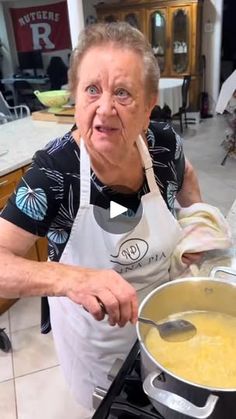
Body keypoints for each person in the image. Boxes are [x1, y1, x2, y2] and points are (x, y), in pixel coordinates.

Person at [0, 23, 202, 417]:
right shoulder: (54, 173)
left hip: (165, 323)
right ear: (75, 98)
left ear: (147, 109)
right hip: (97, 344)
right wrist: (73, 278)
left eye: (123, 93)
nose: (105, 108)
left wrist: (198, 225)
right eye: (93, 89)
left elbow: (188, 178)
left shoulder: (163, 145)